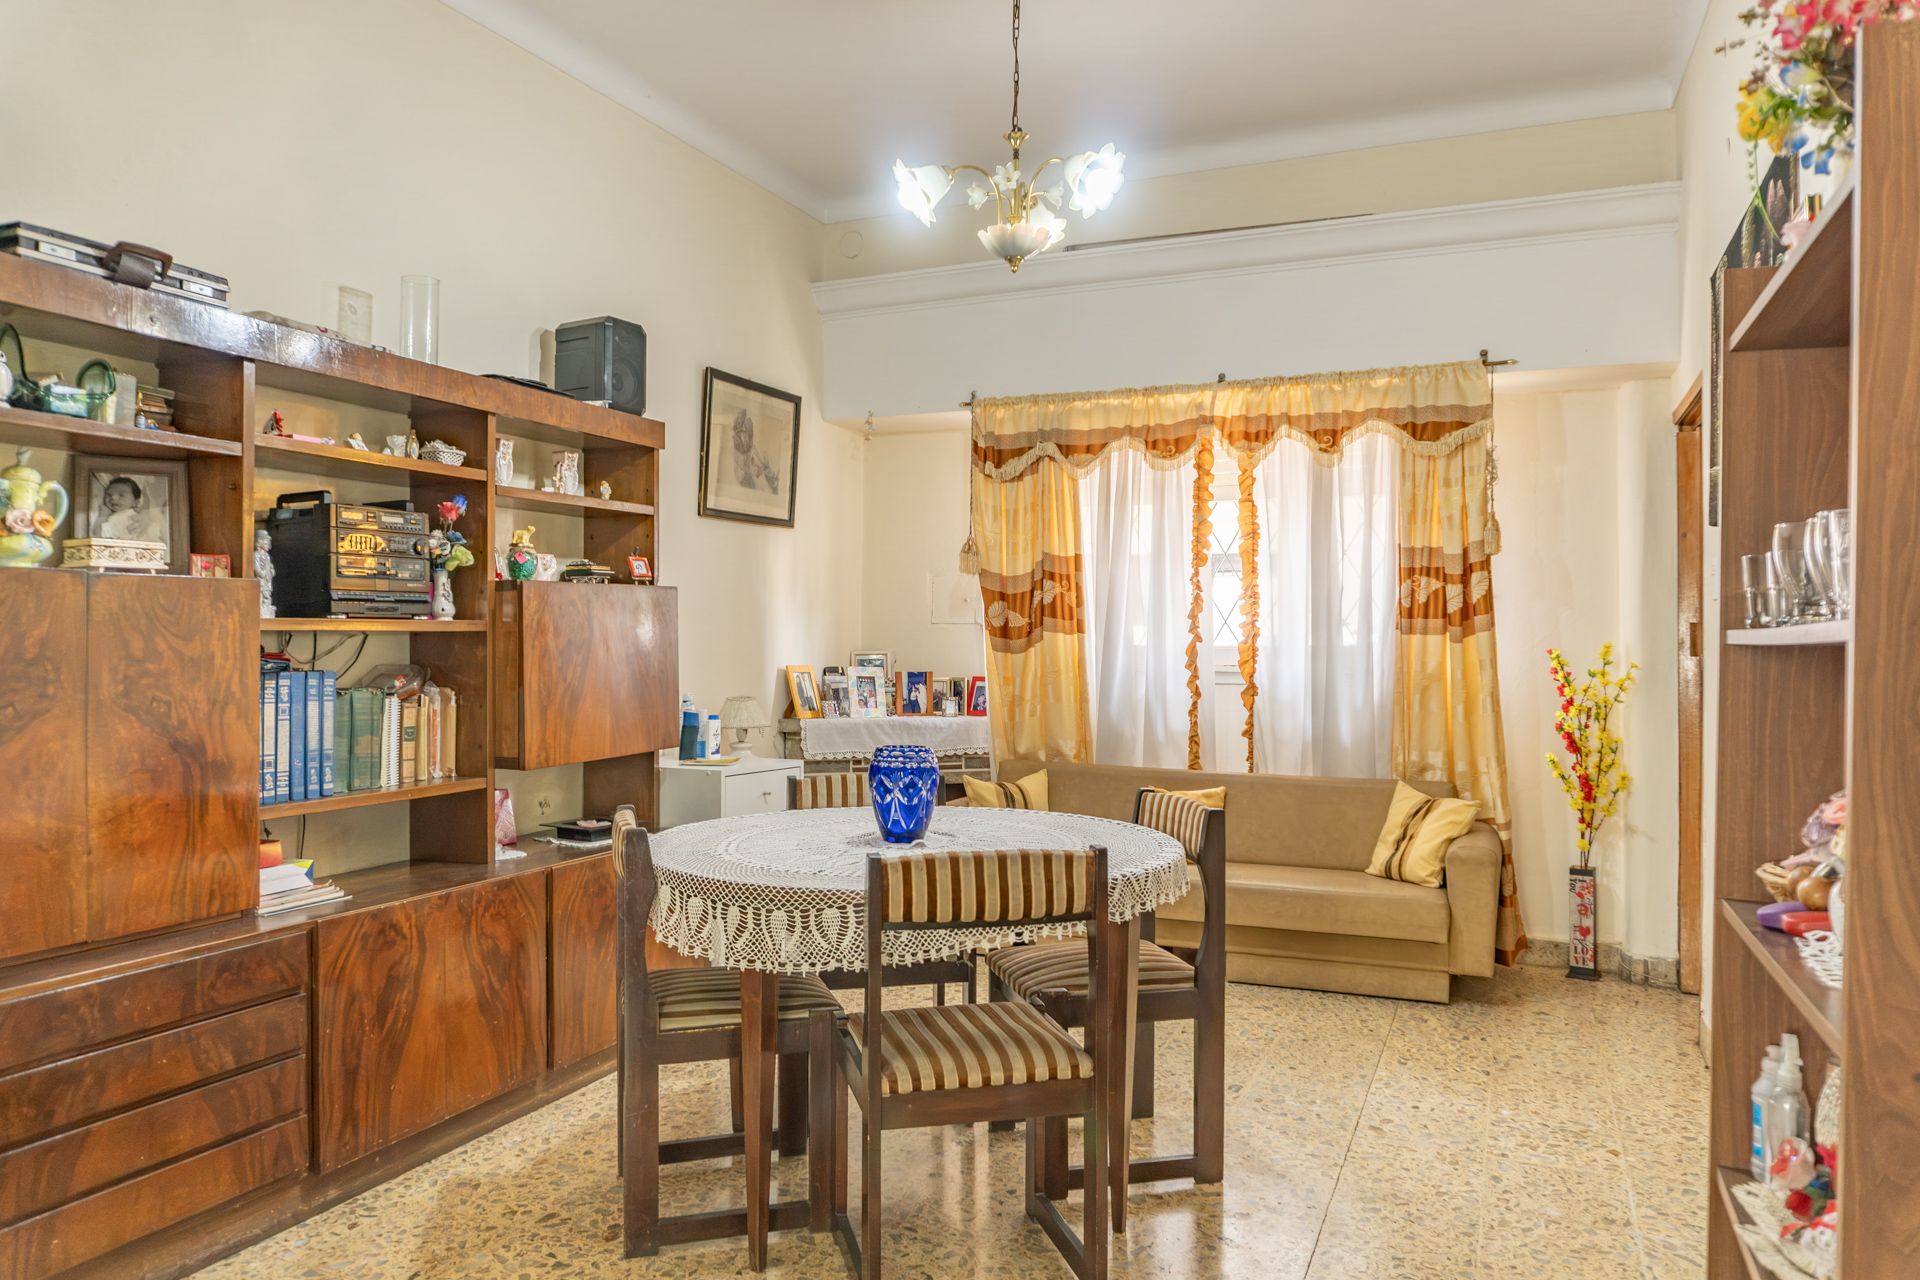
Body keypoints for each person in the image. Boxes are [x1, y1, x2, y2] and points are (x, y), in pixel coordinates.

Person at [96, 476, 166, 543]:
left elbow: (101, 535)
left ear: (136, 502)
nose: (113, 498)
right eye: (109, 495)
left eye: (121, 495)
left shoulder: (138, 517)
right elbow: (103, 537)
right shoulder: (113, 518)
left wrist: (102, 517)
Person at [730, 409, 780, 493]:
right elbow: (746, 467)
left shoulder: (751, 447)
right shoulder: (739, 442)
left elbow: (756, 464)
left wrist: (762, 468)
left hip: (753, 476)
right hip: (746, 476)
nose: (745, 437)